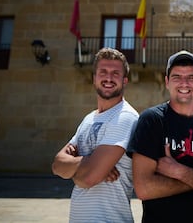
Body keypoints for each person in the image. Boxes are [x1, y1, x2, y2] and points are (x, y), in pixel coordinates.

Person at [127, 50, 193, 223]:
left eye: (190, 77)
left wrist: (180, 172)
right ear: (167, 82)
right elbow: (143, 188)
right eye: (177, 77)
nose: (184, 83)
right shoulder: (151, 121)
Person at [51, 48, 139, 223]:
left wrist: (81, 169)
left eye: (115, 73)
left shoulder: (125, 117)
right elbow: (56, 165)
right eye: (103, 72)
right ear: (94, 78)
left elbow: (88, 178)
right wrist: (90, 163)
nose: (108, 78)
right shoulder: (88, 119)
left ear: (125, 80)